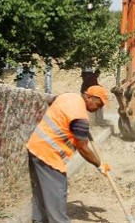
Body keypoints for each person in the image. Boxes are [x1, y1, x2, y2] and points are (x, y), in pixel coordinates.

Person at [26, 85, 111, 223]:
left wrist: (63, 118)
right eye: (99, 104)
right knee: (57, 196)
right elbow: (83, 148)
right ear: (89, 97)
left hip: (35, 146)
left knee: (42, 192)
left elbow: (51, 101)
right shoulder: (80, 118)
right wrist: (100, 165)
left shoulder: (68, 96)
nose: (99, 108)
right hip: (49, 155)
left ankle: (38, 220)